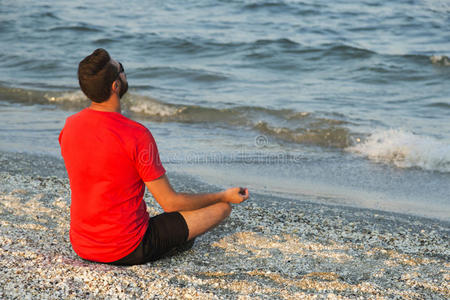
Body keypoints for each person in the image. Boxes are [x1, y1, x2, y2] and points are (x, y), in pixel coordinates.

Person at [59, 48, 249, 266]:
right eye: (120, 68)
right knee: (221, 209)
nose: (123, 71)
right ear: (115, 85)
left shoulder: (70, 126)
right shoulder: (136, 135)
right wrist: (223, 195)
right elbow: (170, 202)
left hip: (82, 245)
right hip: (127, 248)